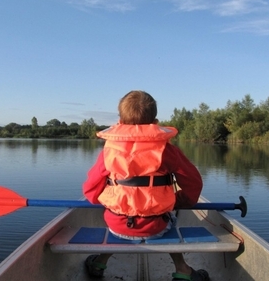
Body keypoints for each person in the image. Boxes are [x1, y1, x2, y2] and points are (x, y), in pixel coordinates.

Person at [82, 90, 209, 281]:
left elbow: (90, 192)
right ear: (154, 121)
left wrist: (110, 201)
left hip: (118, 225)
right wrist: (179, 201)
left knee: (116, 221)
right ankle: (182, 270)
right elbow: (193, 183)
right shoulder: (167, 151)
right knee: (173, 215)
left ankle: (99, 263)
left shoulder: (109, 151)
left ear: (121, 121)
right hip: (158, 226)